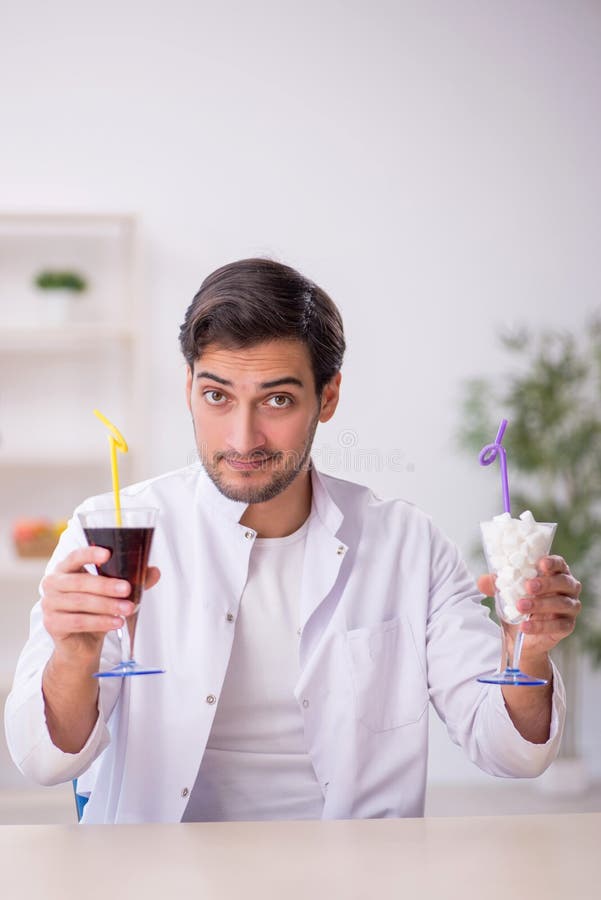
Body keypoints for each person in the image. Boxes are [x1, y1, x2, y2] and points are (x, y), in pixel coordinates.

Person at [5, 259, 582, 824]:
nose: (242, 436)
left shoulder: (408, 544)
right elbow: (44, 761)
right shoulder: (113, 530)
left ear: (327, 397)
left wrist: (528, 654)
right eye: (217, 396)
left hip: (354, 874)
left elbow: (511, 752)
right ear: (188, 388)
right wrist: (74, 659)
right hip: (159, 872)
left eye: (277, 399)